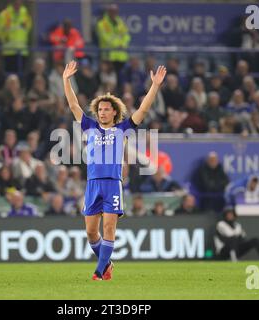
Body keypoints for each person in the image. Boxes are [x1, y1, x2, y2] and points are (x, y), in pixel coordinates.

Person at [63, 60, 166, 280]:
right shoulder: (89, 126)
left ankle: (99, 272)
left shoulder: (123, 129)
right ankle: (107, 263)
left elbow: (144, 109)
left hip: (112, 183)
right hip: (92, 183)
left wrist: (155, 86)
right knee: (91, 232)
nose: (102, 112)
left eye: (106, 109)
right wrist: (66, 81)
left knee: (109, 228)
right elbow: (73, 105)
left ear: (114, 112)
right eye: (100, 109)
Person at [0, 0, 32, 73]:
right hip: (9, 51)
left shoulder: (25, 14)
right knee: (10, 74)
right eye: (16, 3)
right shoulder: (4, 14)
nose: (17, 4)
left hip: (22, 51)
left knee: (21, 74)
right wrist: (4, 38)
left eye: (19, 3)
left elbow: (28, 28)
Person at [96, 4, 131, 76]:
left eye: (116, 11)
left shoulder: (120, 22)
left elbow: (126, 35)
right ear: (108, 12)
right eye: (112, 11)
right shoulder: (102, 24)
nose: (114, 13)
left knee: (121, 78)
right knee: (110, 80)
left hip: (121, 56)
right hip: (108, 56)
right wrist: (118, 45)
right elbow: (105, 38)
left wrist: (123, 44)